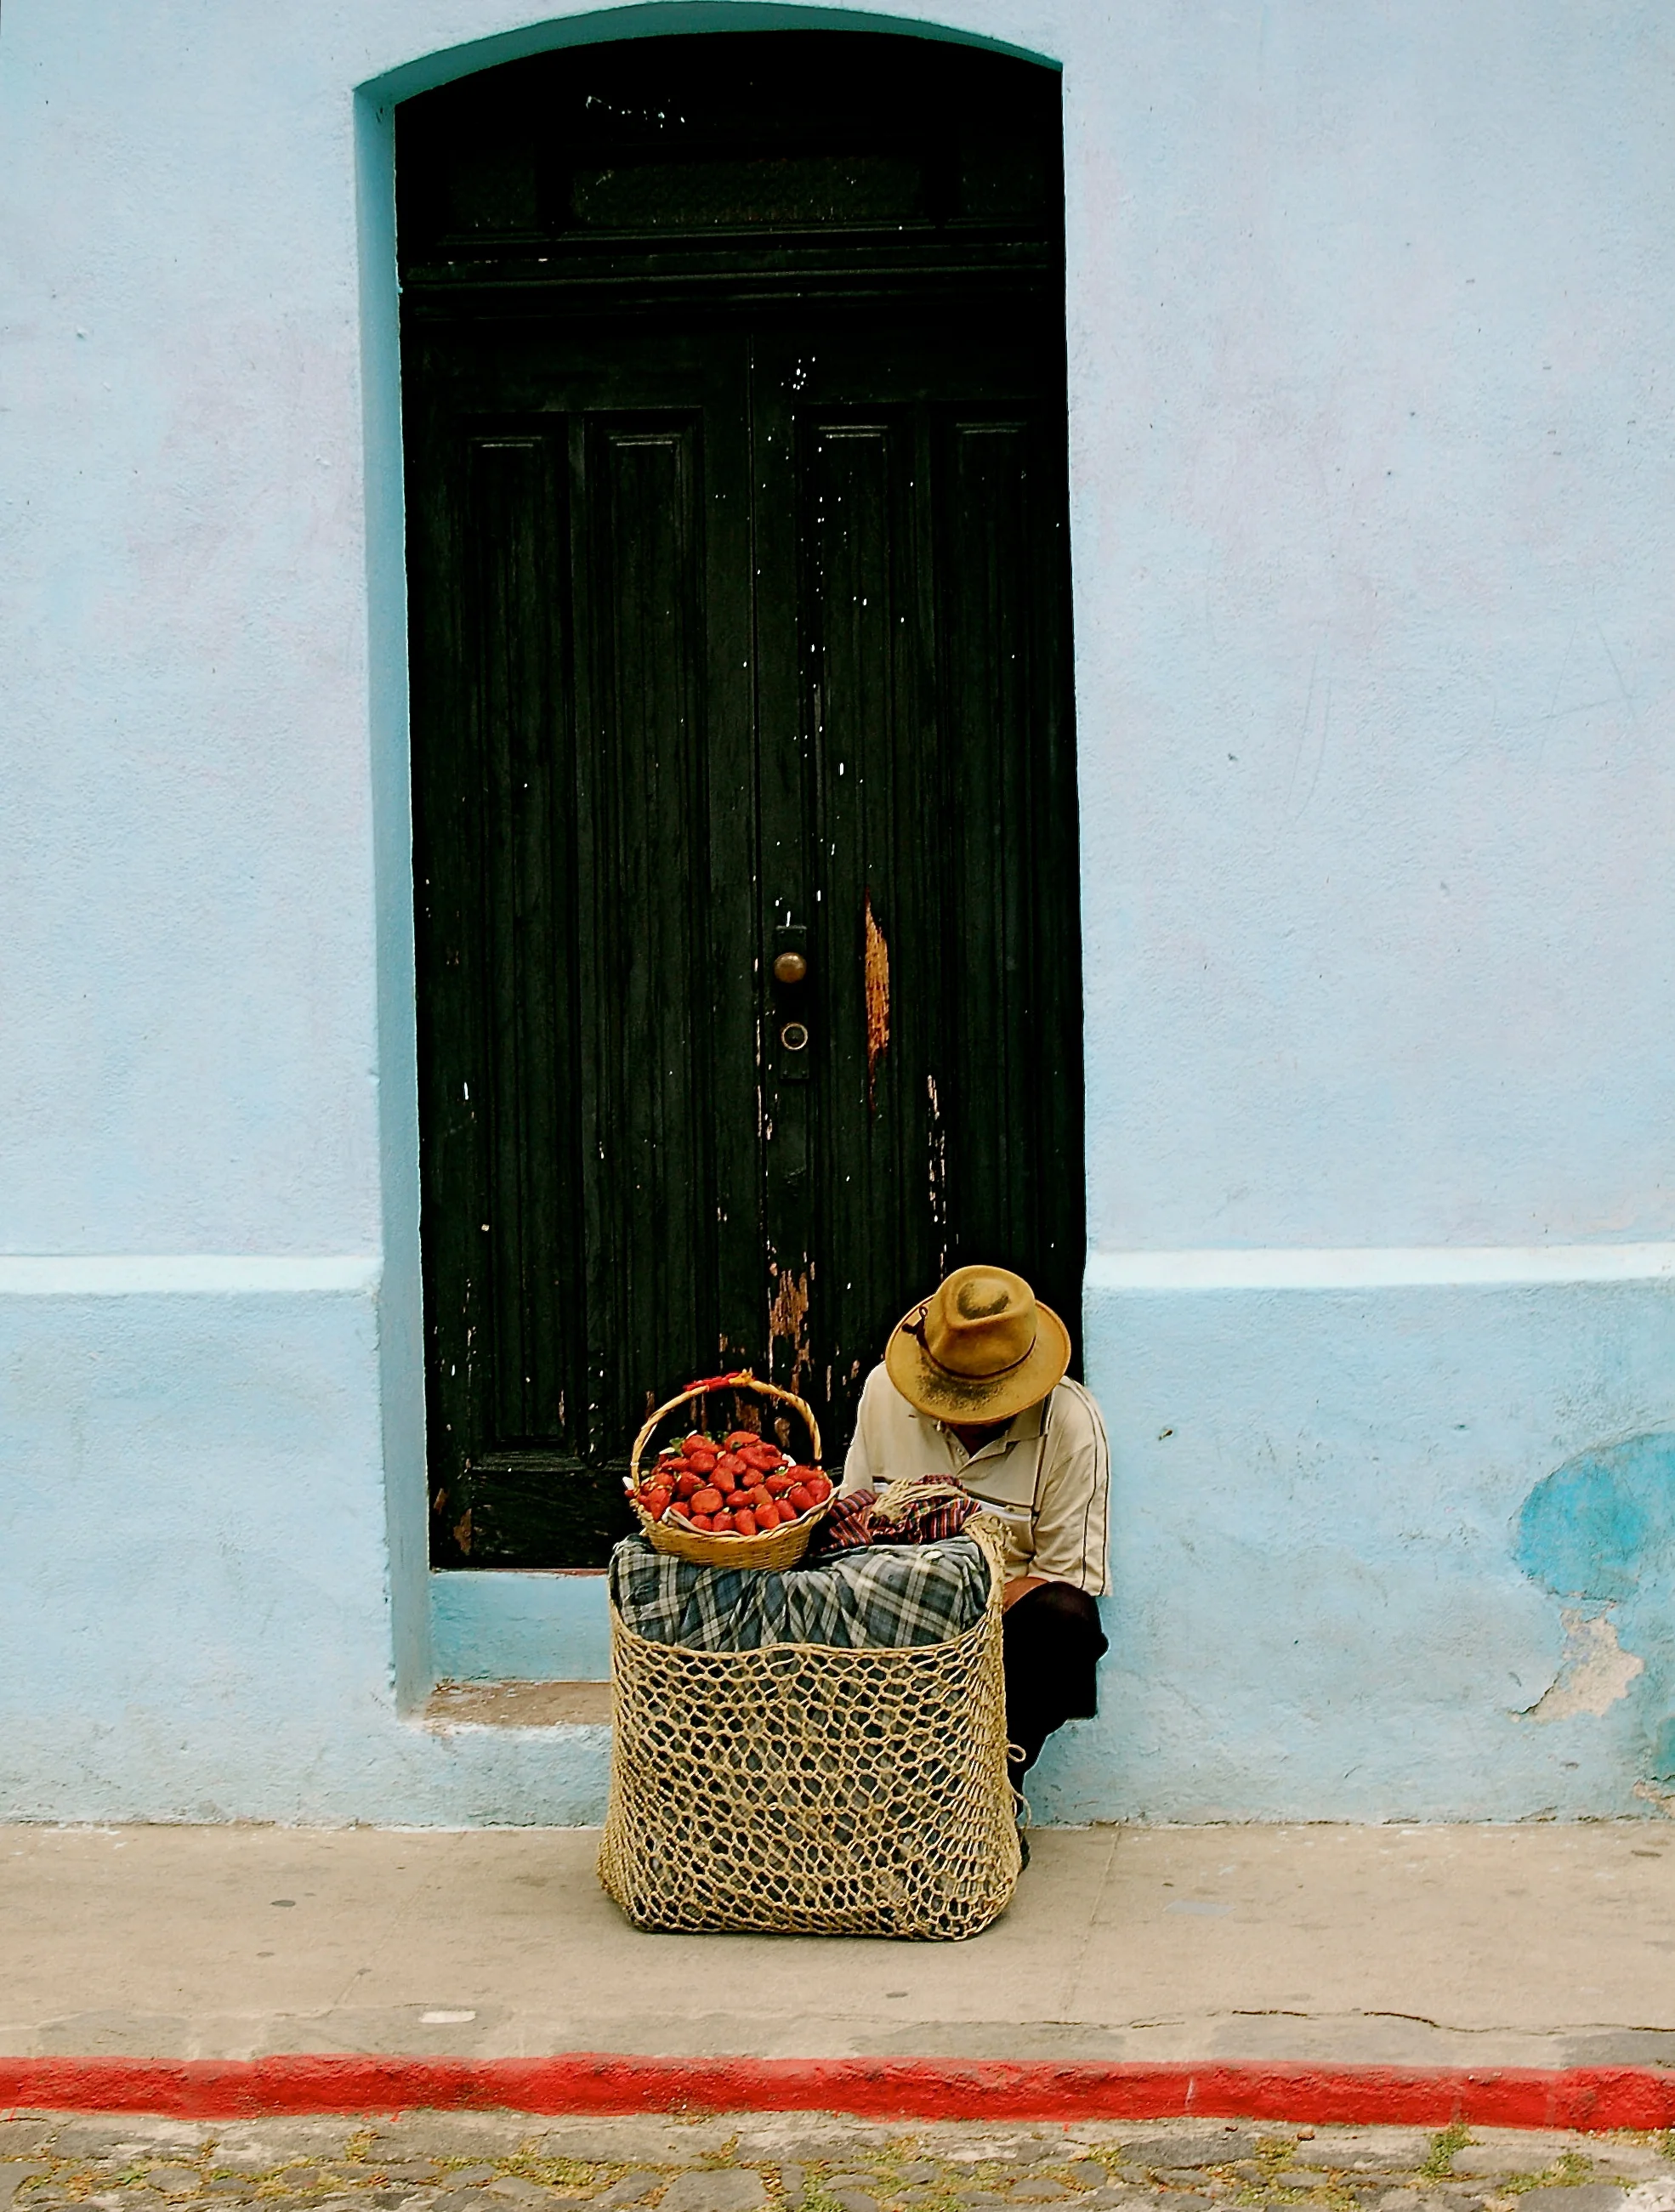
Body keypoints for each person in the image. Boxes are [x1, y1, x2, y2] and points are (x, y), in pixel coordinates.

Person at [842, 1264, 1110, 1844]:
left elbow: (1062, 1576)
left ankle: (995, 1780)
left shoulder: (1070, 1421)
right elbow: (853, 1524)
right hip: (893, 1607)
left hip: (1001, 1620)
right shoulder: (884, 1393)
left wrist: (959, 1610)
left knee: (1068, 1624)